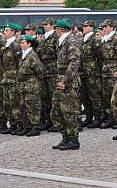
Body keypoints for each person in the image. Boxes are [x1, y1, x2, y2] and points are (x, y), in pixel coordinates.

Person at [49, 19, 82, 150]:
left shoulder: (71, 41)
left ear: (59, 29)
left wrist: (65, 81)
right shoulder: (62, 42)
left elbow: (74, 63)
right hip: (60, 79)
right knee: (56, 112)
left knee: (69, 112)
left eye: (55, 29)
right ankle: (65, 137)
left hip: (69, 81)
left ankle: (73, 140)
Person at [18, 35, 44, 136]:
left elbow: (40, 70)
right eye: (21, 42)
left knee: (33, 107)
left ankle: (35, 127)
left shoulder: (32, 55)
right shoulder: (23, 54)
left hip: (31, 85)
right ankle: (27, 126)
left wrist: (35, 81)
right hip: (24, 85)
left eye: (23, 43)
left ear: (29, 44)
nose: (21, 44)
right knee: (24, 106)